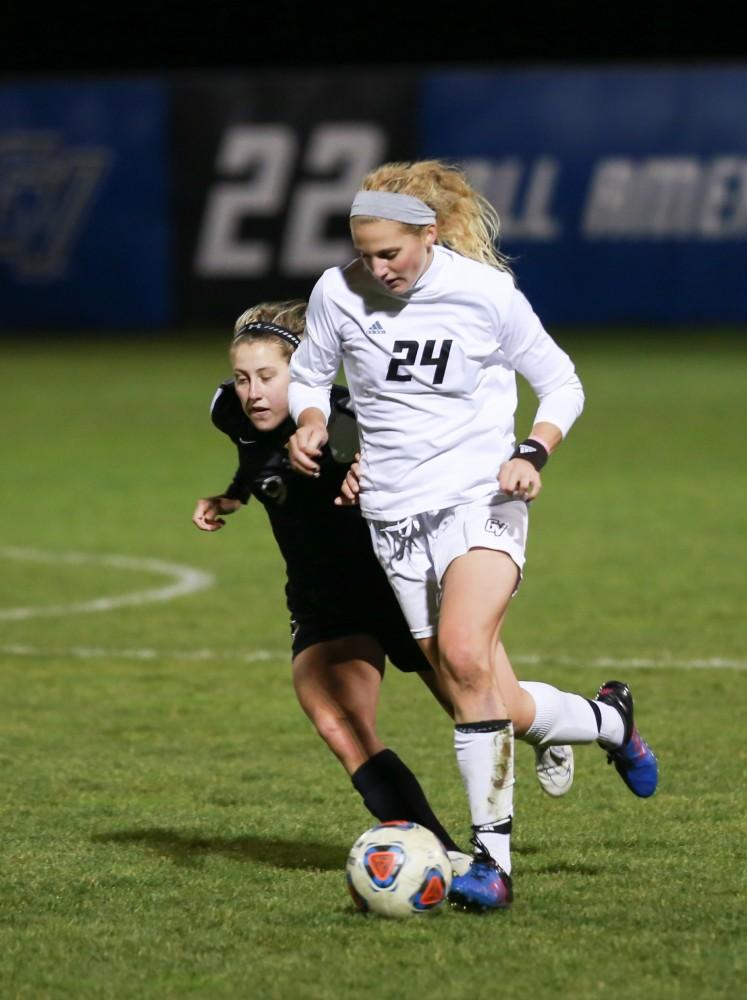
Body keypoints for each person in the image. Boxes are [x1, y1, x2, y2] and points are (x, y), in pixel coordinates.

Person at [286, 160, 659, 911]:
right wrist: (312, 418)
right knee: (485, 693)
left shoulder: (484, 294)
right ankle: (606, 721)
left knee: (461, 653)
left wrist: (532, 450)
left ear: (427, 236)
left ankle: (492, 865)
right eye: (365, 253)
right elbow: (308, 371)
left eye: (390, 251)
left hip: (481, 498)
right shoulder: (337, 292)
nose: (376, 267)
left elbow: (561, 383)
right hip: (393, 517)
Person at [192, 300, 576, 878]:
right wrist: (234, 496)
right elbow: (257, 456)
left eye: (268, 377)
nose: (252, 391)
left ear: (308, 373)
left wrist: (367, 467)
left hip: (400, 582)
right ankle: (441, 857)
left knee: (498, 709)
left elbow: (414, 457)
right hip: (323, 595)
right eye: (243, 377)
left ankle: (604, 720)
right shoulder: (230, 410)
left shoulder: (353, 419)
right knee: (336, 718)